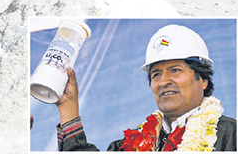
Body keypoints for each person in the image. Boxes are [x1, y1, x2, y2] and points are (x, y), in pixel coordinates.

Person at [55, 24, 237, 151]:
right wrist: (68, 108)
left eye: (175, 70)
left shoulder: (231, 135)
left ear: (203, 80)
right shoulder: (132, 144)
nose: (163, 81)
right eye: (156, 74)